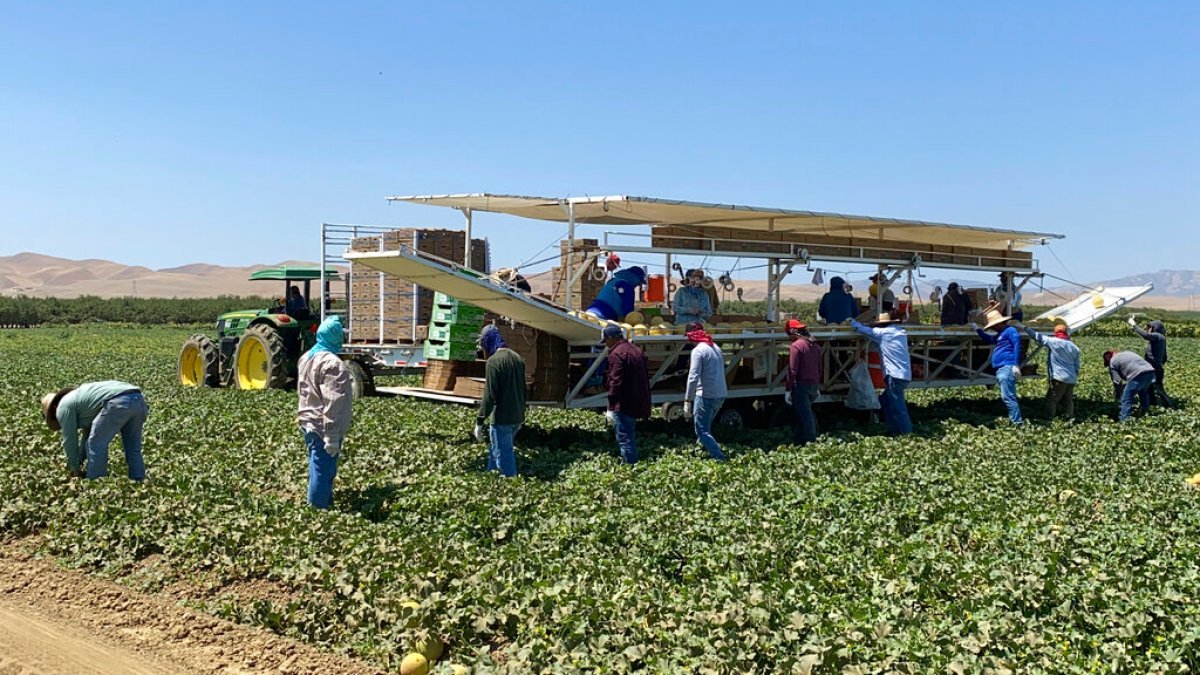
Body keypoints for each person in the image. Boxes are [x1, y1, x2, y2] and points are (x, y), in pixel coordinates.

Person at [41, 381, 148, 480]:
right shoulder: (83, 404)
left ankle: (97, 484)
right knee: (133, 447)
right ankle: (138, 480)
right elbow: (86, 437)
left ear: (54, 408)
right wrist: (80, 461)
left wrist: (75, 469)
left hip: (117, 401)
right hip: (138, 400)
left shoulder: (63, 407)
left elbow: (70, 441)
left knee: (95, 444)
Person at [297, 315, 352, 509]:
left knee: (317, 464)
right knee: (323, 469)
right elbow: (333, 403)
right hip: (323, 425)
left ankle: (322, 502)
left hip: (307, 420)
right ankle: (317, 510)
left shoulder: (307, 357)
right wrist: (331, 435)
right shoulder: (333, 364)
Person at [475, 325, 526, 477]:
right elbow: (524, 390)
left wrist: (480, 420)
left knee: (504, 457)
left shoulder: (493, 362)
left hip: (502, 418)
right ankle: (490, 479)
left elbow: (489, 395)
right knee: (495, 450)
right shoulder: (517, 358)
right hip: (517, 416)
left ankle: (510, 487)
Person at [851, 313, 913, 435]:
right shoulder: (900, 332)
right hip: (904, 374)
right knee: (885, 400)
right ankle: (892, 427)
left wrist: (852, 322)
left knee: (898, 407)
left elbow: (862, 330)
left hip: (893, 375)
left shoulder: (883, 334)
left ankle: (905, 432)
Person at [602, 324, 651, 464]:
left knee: (625, 437)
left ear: (611, 338)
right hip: (638, 399)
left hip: (624, 402)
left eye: (606, 340)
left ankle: (630, 467)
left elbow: (615, 381)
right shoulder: (636, 349)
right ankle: (632, 463)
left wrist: (611, 405)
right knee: (629, 433)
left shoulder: (617, 354)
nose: (606, 344)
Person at [683, 322, 728, 461]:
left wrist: (687, 399)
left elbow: (693, 376)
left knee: (701, 430)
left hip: (706, 394)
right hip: (720, 394)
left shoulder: (698, 351)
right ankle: (699, 453)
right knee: (705, 427)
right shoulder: (715, 347)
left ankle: (719, 457)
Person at [974, 307, 1024, 426]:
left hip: (1007, 367)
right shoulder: (1000, 334)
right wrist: (978, 330)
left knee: (1008, 397)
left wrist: (1016, 365)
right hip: (1001, 368)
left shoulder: (1010, 331)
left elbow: (1017, 345)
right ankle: (1016, 422)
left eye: (993, 325)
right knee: (1007, 396)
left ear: (998, 323)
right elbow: (990, 339)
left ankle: (1017, 423)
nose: (992, 327)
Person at [1023, 323, 1081, 421]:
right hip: (1071, 378)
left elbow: (1037, 336)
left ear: (1056, 333)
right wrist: (1074, 375)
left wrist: (1025, 328)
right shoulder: (1074, 347)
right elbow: (1077, 366)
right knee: (1068, 400)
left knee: (1052, 399)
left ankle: (1048, 418)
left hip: (1059, 377)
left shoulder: (1054, 342)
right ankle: (1069, 418)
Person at [784, 319, 822, 445]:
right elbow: (819, 366)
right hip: (813, 384)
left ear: (793, 332)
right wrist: (817, 384)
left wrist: (788, 389)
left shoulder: (796, 346)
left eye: (789, 335)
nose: (789, 338)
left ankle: (810, 442)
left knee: (805, 416)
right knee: (803, 414)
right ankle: (799, 442)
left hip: (801, 385)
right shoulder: (815, 345)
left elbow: (792, 370)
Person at [1128, 318, 1173, 407]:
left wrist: (1134, 325)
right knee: (1150, 389)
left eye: (1150, 328)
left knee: (1159, 389)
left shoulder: (1157, 336)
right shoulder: (1161, 338)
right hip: (1155, 369)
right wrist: (1158, 364)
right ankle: (1153, 405)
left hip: (1154, 369)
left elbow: (1145, 335)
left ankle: (1170, 406)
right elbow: (1165, 357)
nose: (1148, 330)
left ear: (1155, 328)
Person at [1105, 350, 1156, 422]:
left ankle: (1125, 420)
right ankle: (1144, 413)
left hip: (1137, 374)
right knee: (1143, 392)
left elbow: (1117, 381)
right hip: (1150, 372)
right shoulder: (1127, 353)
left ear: (1107, 358)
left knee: (1126, 398)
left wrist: (1118, 395)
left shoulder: (1112, 362)